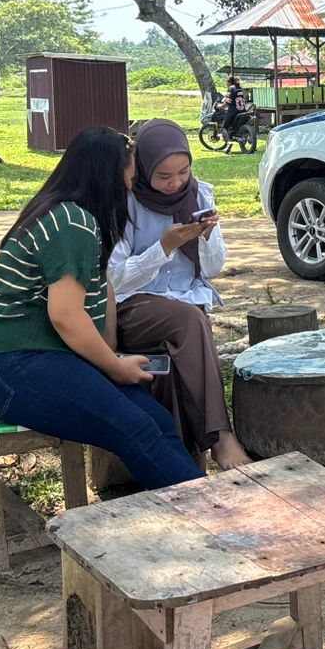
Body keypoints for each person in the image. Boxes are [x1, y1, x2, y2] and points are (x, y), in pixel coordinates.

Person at [0, 126, 202, 490]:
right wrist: (113, 366)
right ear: (106, 180)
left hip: (50, 360)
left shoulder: (80, 219)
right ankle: (212, 510)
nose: (130, 191)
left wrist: (110, 357)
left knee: (155, 418)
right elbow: (65, 315)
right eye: (127, 182)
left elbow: (100, 291)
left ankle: (201, 499)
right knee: (134, 427)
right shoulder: (71, 223)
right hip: (10, 368)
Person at [109, 119, 252, 470]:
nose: (175, 183)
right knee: (189, 321)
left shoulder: (199, 194)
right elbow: (115, 280)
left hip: (185, 304)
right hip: (133, 307)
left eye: (183, 173)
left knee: (180, 348)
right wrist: (163, 247)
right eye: (164, 176)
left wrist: (206, 237)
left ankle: (178, 463)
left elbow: (213, 268)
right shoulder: (125, 201)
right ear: (143, 168)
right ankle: (221, 437)